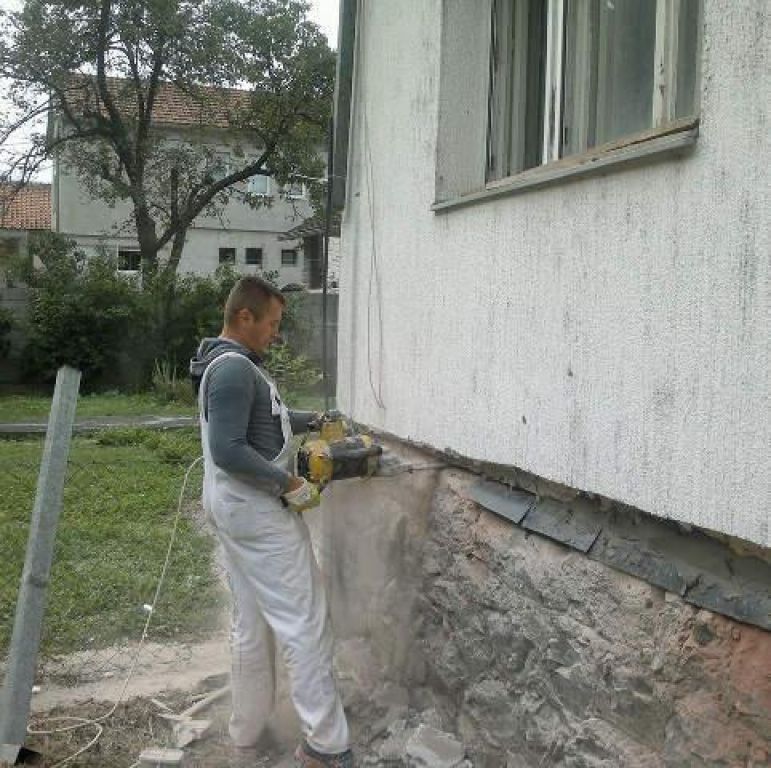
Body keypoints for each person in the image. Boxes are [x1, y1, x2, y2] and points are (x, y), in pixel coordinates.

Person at [190, 276, 353, 768]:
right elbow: (228, 450)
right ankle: (327, 745)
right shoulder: (234, 369)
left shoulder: (228, 364)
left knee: (252, 621)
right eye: (272, 323)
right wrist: (290, 485)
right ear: (245, 317)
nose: (275, 333)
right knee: (304, 622)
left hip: (234, 509)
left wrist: (313, 420)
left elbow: (267, 419)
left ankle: (248, 728)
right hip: (258, 512)